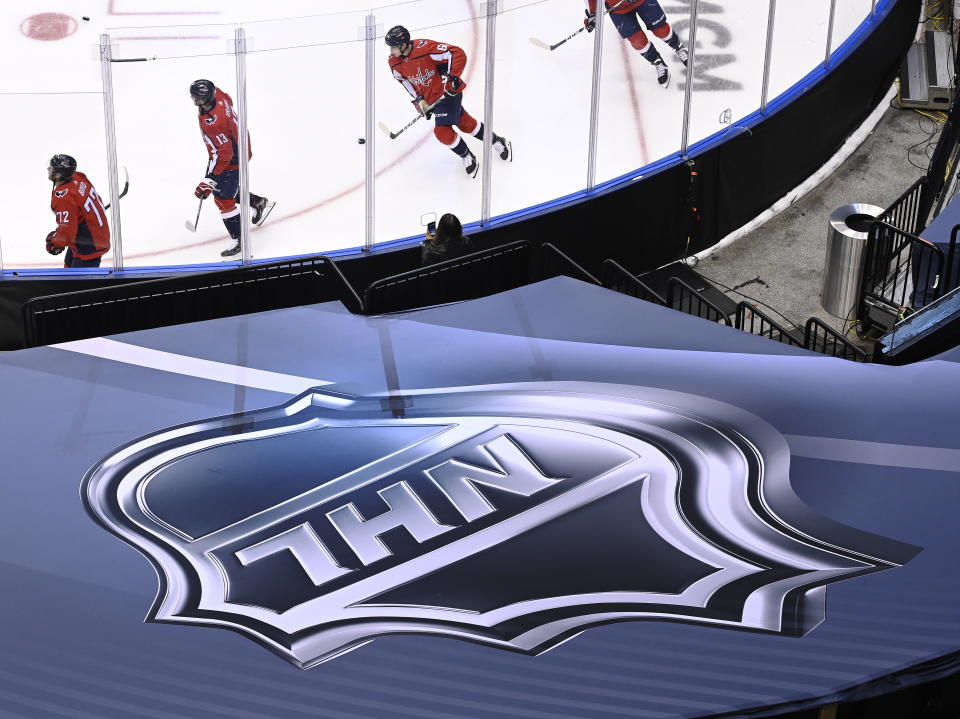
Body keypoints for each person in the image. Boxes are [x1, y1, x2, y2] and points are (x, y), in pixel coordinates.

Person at [386, 25, 512, 178]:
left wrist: (452, 79)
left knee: (441, 132)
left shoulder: (424, 48)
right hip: (433, 99)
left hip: (448, 93)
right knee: (465, 123)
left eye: (393, 47)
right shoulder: (394, 62)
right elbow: (404, 81)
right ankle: (497, 140)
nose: (391, 51)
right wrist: (420, 100)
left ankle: (466, 155)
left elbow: (456, 53)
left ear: (403, 44)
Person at [190, 78, 275, 258]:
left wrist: (211, 178)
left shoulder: (213, 122)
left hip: (233, 157)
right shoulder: (219, 95)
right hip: (240, 145)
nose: (195, 102)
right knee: (225, 190)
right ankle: (258, 203)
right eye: (194, 97)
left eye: (198, 99)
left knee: (222, 198)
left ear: (208, 97)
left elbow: (225, 154)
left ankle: (241, 242)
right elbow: (229, 100)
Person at [583, 0, 688, 88]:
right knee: (637, 41)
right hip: (618, 9)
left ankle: (678, 47)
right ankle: (657, 62)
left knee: (661, 30)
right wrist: (592, 13)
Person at [45, 154, 111, 268]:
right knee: (68, 267)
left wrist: (56, 243)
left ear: (59, 175)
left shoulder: (63, 196)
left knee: (76, 284)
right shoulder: (78, 177)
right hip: (91, 234)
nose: (48, 169)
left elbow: (67, 230)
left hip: (90, 244)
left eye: (52, 168)